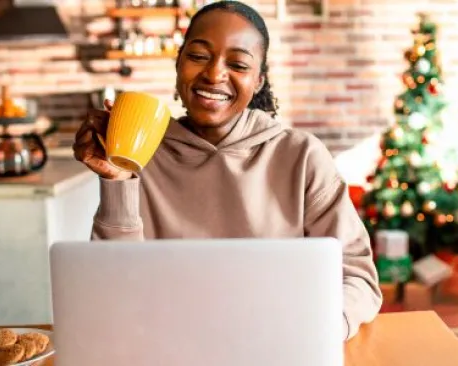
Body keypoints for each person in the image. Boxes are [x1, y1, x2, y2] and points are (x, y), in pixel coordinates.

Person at [72, 0, 382, 341]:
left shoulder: (301, 156)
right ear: (178, 63)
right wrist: (118, 181)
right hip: (171, 346)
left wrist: (320, 329)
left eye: (237, 64)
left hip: (276, 346)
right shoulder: (141, 157)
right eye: (199, 56)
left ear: (259, 81)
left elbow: (357, 278)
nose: (215, 74)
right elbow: (114, 291)